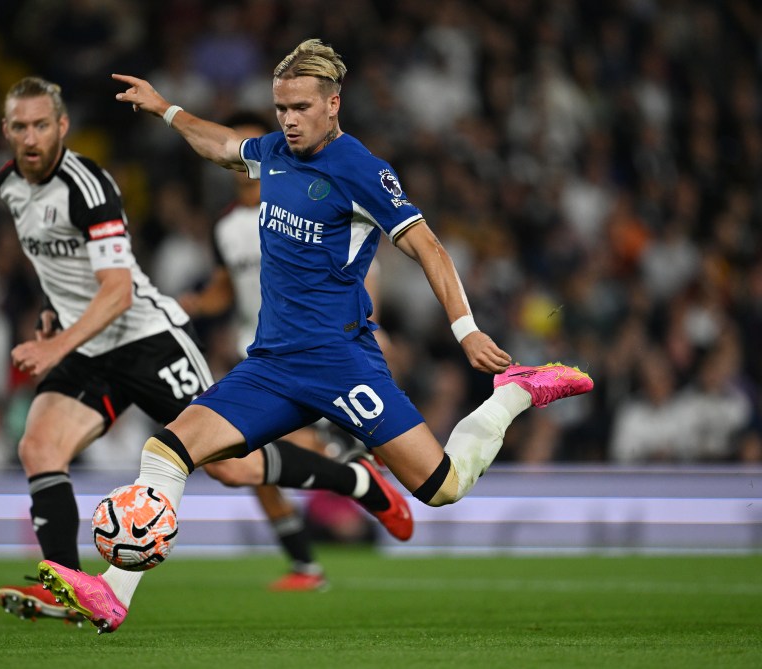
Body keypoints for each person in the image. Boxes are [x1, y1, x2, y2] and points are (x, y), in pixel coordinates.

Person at [37, 40, 593, 634]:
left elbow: (428, 246)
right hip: (272, 364)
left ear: (333, 103)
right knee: (166, 451)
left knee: (442, 487)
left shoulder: (362, 169)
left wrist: (467, 331)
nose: (288, 120)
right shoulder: (274, 152)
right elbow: (221, 145)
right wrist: (166, 109)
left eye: (300, 107)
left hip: (341, 363)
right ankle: (111, 594)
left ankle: (514, 392)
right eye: (281, 108)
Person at [0, 76, 413, 624]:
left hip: (146, 340)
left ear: (62, 127)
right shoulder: (10, 186)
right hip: (86, 344)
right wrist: (55, 315)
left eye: (41, 125)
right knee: (39, 447)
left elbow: (117, 290)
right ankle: (68, 585)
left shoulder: (88, 185)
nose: (30, 137)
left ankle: (358, 480)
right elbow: (58, 266)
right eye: (20, 126)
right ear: (6, 131)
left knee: (232, 469)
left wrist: (55, 349)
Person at [181, 110, 384, 589]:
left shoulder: (297, 201)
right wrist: (185, 303)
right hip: (257, 354)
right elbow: (224, 289)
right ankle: (306, 562)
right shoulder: (226, 225)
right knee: (239, 461)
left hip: (312, 347)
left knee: (260, 453)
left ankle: (348, 463)